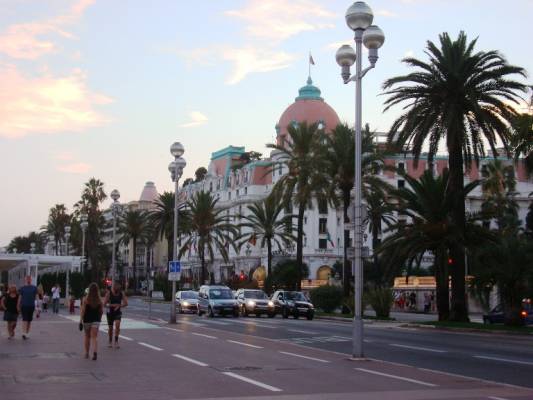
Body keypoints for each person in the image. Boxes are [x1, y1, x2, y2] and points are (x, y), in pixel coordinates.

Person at [80, 283, 103, 360]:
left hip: (87, 320)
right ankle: (95, 352)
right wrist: (99, 318)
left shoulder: (85, 299)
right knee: (94, 337)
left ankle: (86, 353)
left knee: (87, 336)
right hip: (96, 320)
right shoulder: (100, 300)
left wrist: (80, 320)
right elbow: (101, 311)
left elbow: (83, 311)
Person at [103, 281, 128, 349]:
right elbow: (104, 304)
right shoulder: (109, 293)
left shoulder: (121, 293)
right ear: (114, 288)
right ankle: (110, 341)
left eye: (119, 288)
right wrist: (112, 305)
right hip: (110, 312)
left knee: (117, 325)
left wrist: (119, 305)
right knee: (110, 328)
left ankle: (116, 341)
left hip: (117, 312)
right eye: (117, 288)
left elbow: (126, 303)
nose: (118, 290)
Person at [18, 275, 38, 340]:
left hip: (31, 306)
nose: (28, 280)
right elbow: (20, 297)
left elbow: (36, 297)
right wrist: (18, 304)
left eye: (29, 279)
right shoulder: (22, 288)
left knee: (29, 320)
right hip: (24, 305)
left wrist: (38, 305)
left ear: (31, 280)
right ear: (25, 280)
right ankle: (24, 333)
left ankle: (27, 333)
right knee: (25, 319)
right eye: (27, 279)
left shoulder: (34, 288)